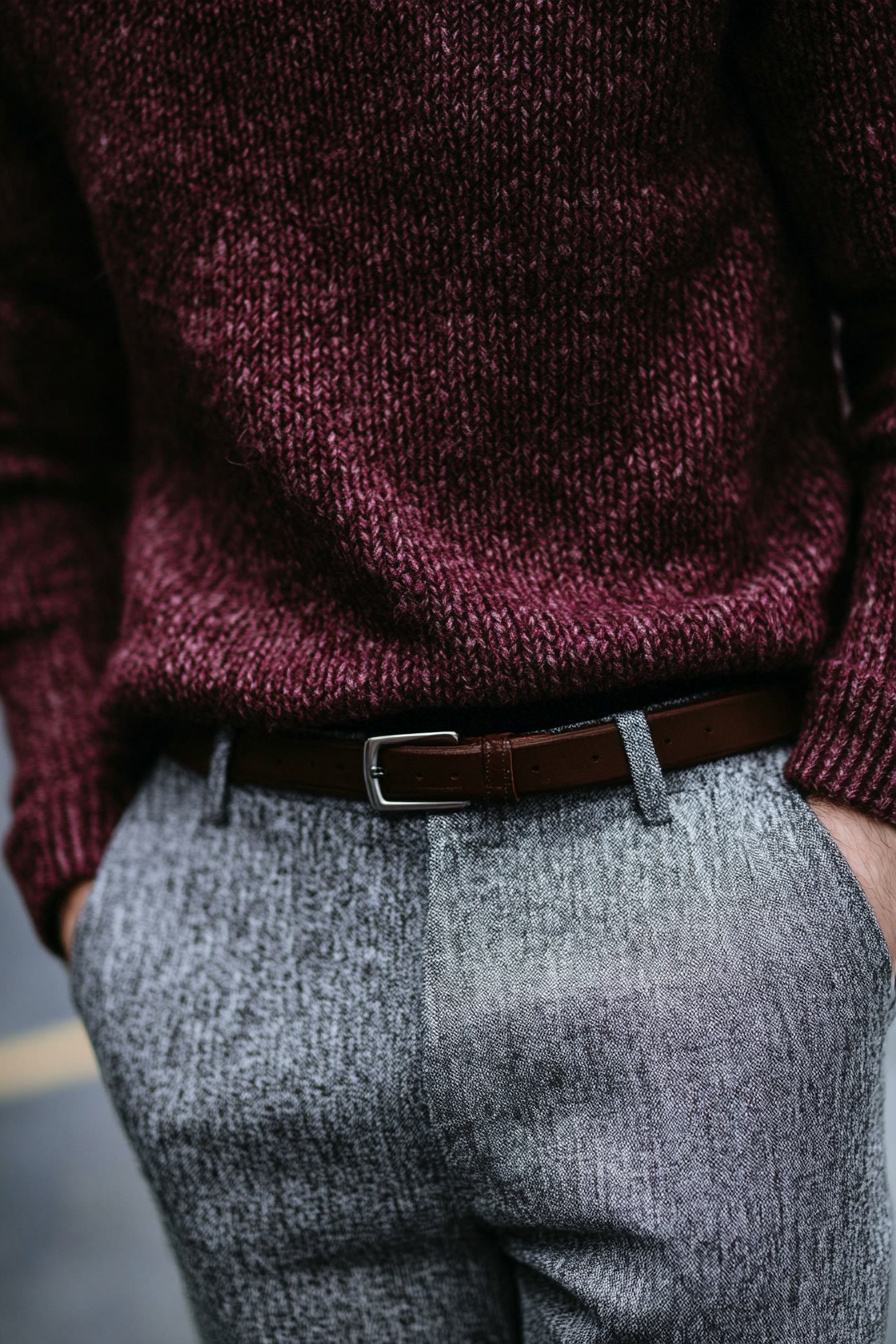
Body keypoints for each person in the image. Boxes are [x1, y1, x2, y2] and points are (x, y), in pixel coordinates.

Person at [1, 2, 895, 1339]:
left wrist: (868, 785)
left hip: (688, 876)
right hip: (237, 905)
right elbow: (27, 408)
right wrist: (86, 856)